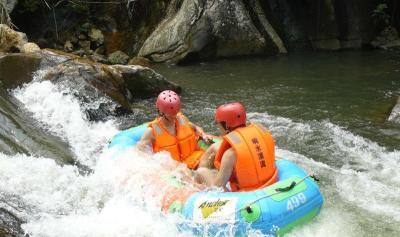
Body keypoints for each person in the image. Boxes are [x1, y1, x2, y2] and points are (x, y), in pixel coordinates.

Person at [195, 102, 278, 191]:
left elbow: (217, 188)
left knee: (202, 172)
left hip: (248, 196)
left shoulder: (230, 154)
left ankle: (195, 182)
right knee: (214, 147)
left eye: (219, 125)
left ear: (226, 126)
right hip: (272, 184)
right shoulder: (262, 133)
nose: (219, 129)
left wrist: (205, 177)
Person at [137, 90, 213, 169]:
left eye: (175, 113)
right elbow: (139, 150)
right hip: (177, 170)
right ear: (161, 112)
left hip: (194, 159)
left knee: (214, 152)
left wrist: (204, 135)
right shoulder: (151, 131)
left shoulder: (181, 119)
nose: (174, 117)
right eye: (171, 115)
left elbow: (195, 128)